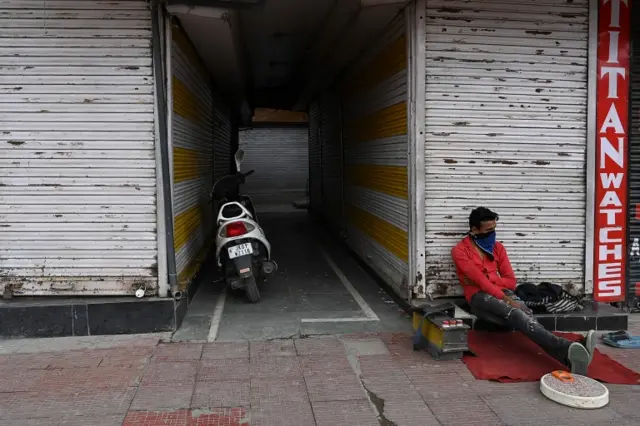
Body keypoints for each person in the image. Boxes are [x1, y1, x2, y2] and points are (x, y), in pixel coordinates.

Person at [451, 207, 596, 375]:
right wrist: (504, 296)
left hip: (502, 292)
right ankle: (568, 348)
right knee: (518, 313)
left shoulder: (498, 248)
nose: (493, 233)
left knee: (526, 312)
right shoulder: (460, 251)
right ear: (475, 230)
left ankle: (567, 356)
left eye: (494, 229)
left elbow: (511, 282)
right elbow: (481, 284)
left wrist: (490, 278)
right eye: (488, 230)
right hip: (479, 297)